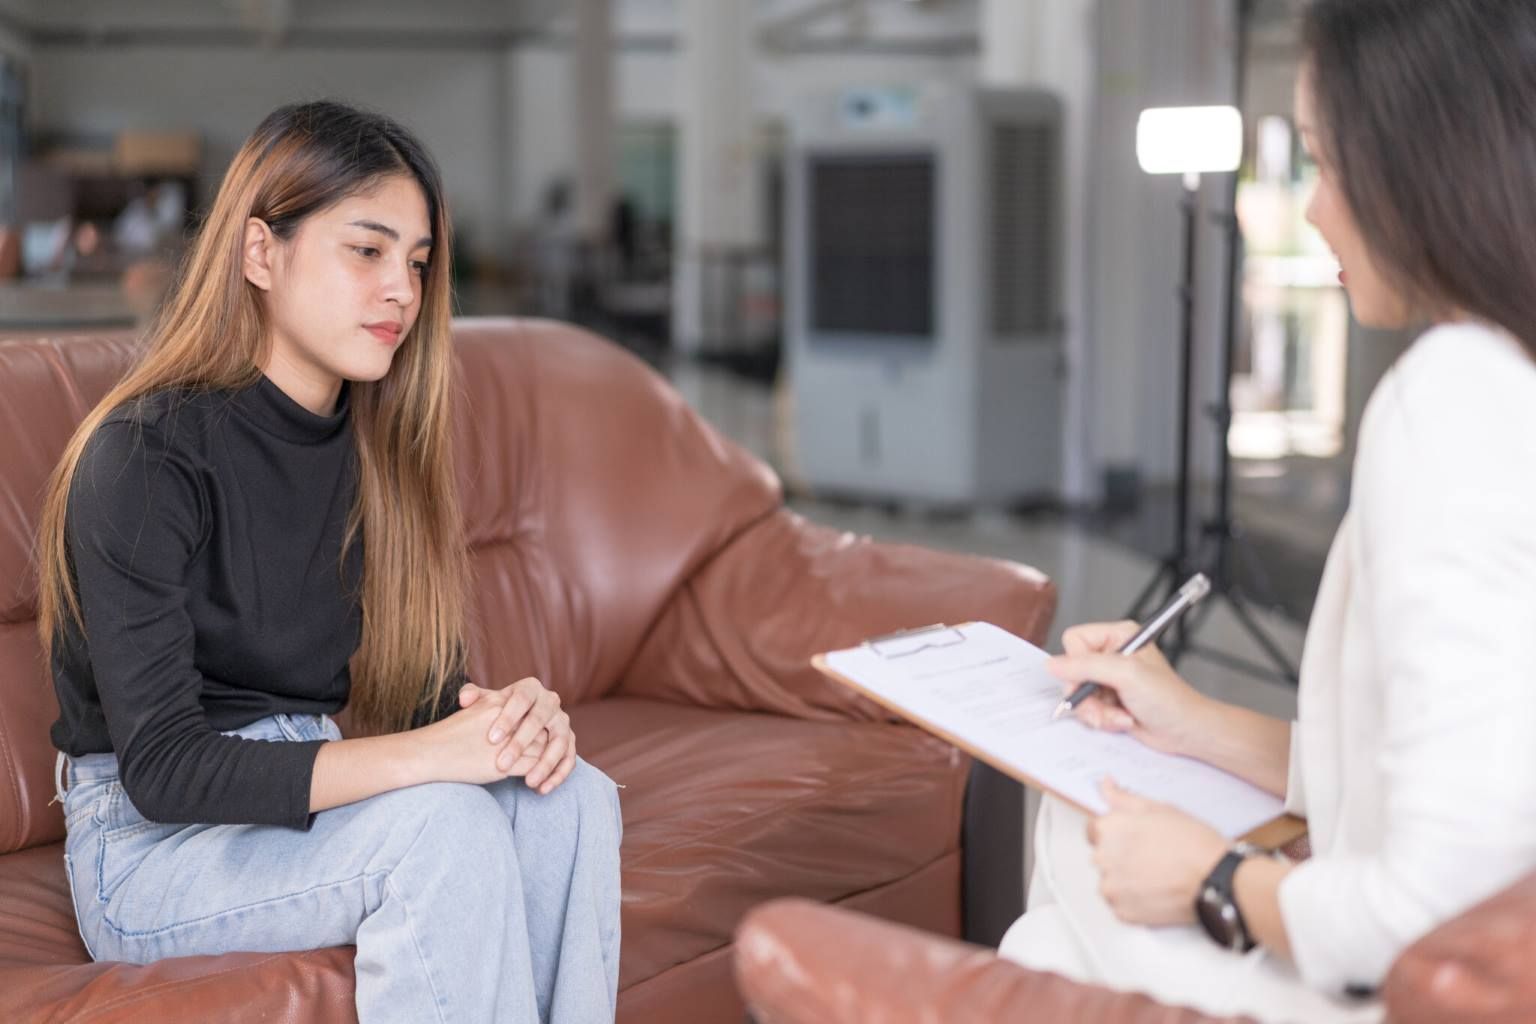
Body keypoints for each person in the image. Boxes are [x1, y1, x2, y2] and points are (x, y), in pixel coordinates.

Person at [997, 1, 1536, 1021]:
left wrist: (1211, 881)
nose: (1312, 206)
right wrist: (1196, 722)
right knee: (1059, 908)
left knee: (1074, 833)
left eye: (1326, 164)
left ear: (1423, 166)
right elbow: (1444, 771)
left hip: (1385, 986)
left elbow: (1437, 904)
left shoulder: (1453, 398)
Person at [35, 100, 623, 1024]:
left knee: (572, 800)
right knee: (448, 831)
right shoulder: (143, 456)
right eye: (367, 250)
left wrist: (514, 722)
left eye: (419, 264)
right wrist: (428, 760)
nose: (402, 290)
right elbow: (165, 771)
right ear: (261, 253)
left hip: (305, 787)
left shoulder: (379, 453)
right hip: (149, 845)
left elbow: (432, 702)